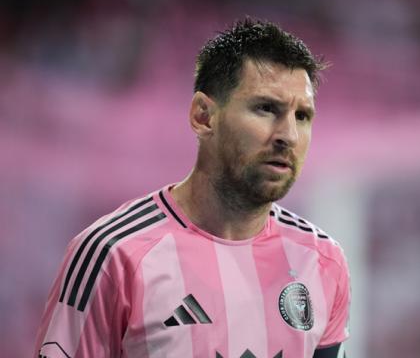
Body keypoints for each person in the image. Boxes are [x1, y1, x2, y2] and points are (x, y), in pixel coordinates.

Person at [35, 18, 350, 358]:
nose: (288, 135)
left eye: (302, 116)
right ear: (203, 116)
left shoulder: (322, 260)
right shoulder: (112, 254)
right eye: (266, 108)